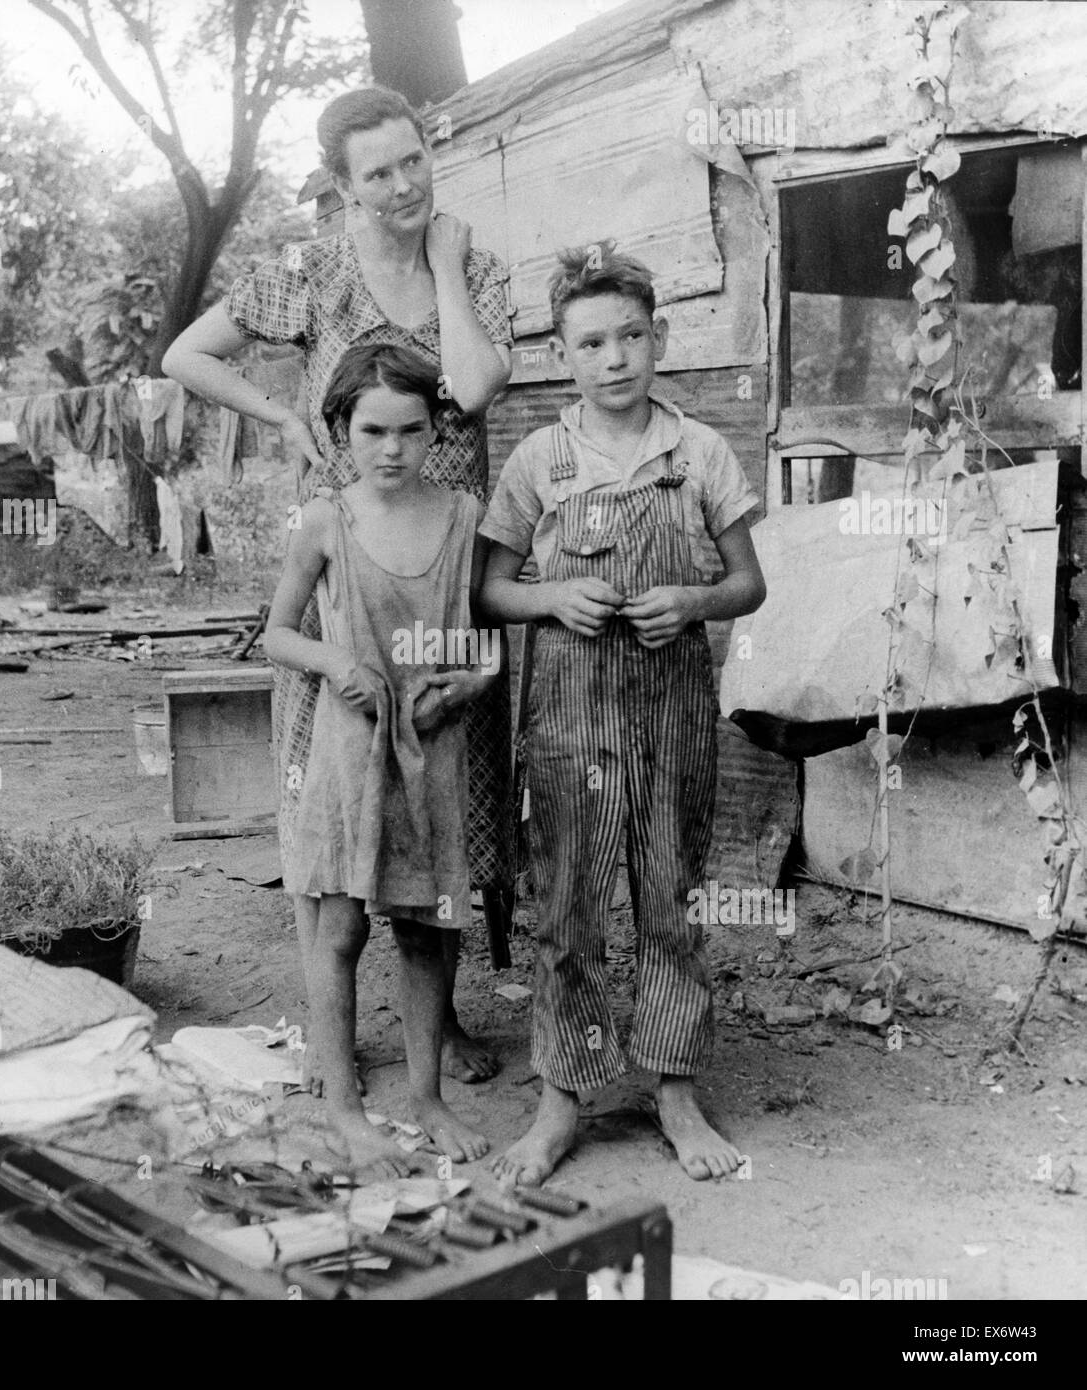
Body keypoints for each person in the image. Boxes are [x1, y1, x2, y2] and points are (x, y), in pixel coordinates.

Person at [162, 85, 513, 1087]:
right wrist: (278, 417)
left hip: (446, 569)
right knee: (337, 791)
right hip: (343, 573)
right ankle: (333, 1036)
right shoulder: (309, 272)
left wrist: (438, 262)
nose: (402, 186)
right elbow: (184, 353)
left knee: (445, 793)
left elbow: (478, 387)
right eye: (377, 174)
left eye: (412, 161)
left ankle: (433, 1030)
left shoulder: (474, 267)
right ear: (342, 186)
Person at [480, 244, 767, 1184]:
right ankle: (561, 1102)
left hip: (673, 711)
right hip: (567, 719)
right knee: (566, 909)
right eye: (593, 341)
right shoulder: (539, 459)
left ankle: (675, 1091)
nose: (616, 358)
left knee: (668, 901)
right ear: (564, 353)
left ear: (659, 339)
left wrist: (691, 602)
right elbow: (490, 591)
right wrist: (552, 598)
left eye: (632, 336)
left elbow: (747, 584)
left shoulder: (701, 452)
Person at [263, 344, 498, 1176]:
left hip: (432, 750)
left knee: (430, 929)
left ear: (436, 428)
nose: (391, 448)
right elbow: (278, 632)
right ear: (339, 431)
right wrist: (335, 663)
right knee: (341, 926)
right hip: (348, 751)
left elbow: (490, 640)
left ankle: (428, 1099)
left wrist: (467, 679)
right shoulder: (327, 521)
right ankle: (346, 1110)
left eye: (410, 430)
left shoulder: (465, 515)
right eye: (372, 431)